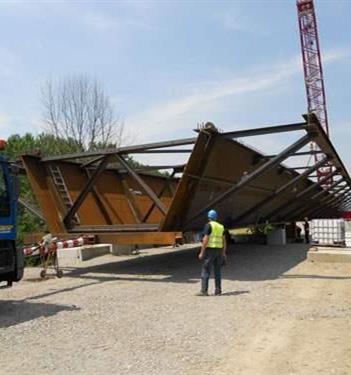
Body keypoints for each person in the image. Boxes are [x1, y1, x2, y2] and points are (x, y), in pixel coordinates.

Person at [197, 209, 227, 296]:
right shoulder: (221, 227)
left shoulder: (208, 225)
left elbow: (205, 239)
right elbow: (224, 241)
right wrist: (224, 253)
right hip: (219, 251)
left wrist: (202, 252)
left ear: (208, 217)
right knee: (217, 271)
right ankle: (218, 290)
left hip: (210, 251)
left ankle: (204, 291)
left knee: (206, 270)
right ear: (216, 217)